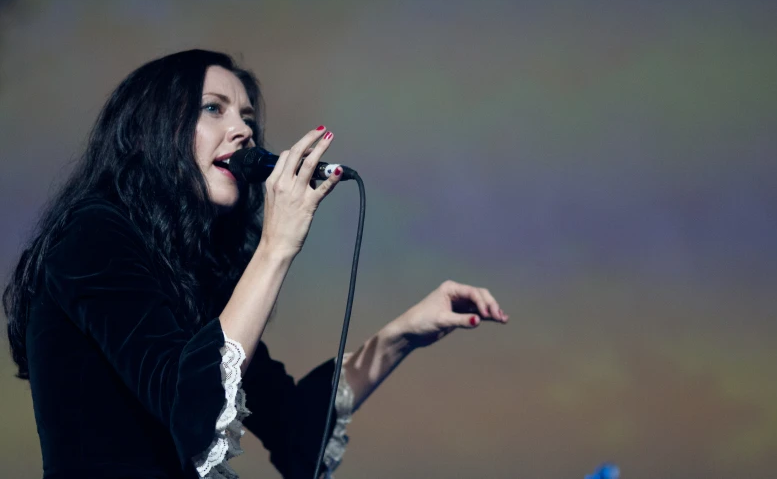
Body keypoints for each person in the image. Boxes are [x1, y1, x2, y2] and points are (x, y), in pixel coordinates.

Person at [2, 49, 509, 479]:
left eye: (247, 117)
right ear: (149, 131)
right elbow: (190, 405)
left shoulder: (198, 271)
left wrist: (405, 332)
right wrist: (276, 247)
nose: (243, 130)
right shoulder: (94, 233)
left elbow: (294, 429)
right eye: (213, 109)